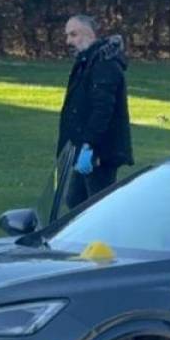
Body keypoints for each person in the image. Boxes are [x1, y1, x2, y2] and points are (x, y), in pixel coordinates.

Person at [58, 14, 133, 208]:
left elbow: (103, 109)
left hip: (99, 151)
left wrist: (89, 145)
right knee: (75, 201)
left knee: (98, 205)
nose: (68, 41)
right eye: (68, 35)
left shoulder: (104, 64)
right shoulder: (88, 61)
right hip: (85, 146)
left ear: (89, 34)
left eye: (73, 35)